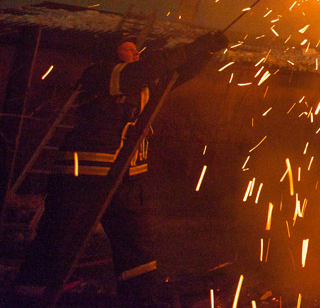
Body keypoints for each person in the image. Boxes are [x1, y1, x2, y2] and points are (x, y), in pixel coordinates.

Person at [6, 30, 229, 308]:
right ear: (111, 54)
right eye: (128, 49)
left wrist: (205, 53)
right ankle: (28, 297)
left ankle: (140, 300)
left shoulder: (142, 80)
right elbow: (148, 68)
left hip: (126, 178)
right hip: (85, 176)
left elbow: (177, 74)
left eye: (136, 50)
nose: (136, 53)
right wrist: (191, 46)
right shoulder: (101, 74)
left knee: (136, 247)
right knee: (58, 240)